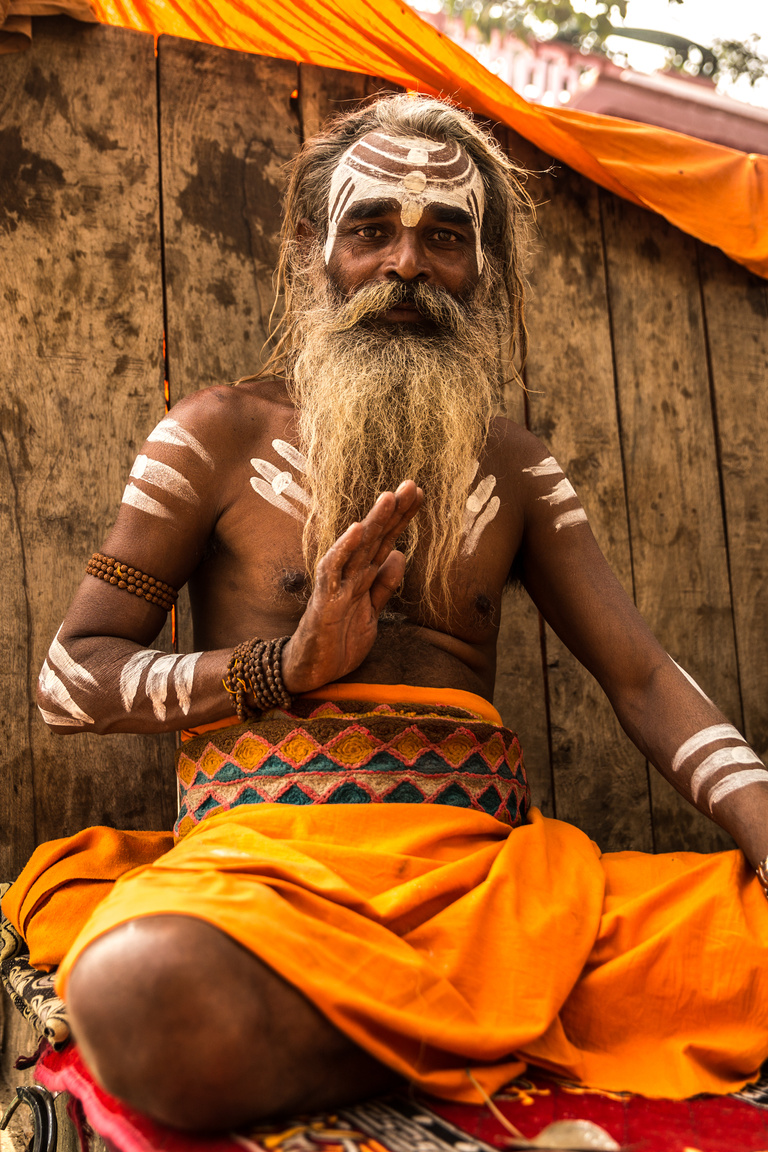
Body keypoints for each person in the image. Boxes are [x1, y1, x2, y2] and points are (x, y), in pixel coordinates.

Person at [7, 93, 768, 1134]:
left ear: (483, 270)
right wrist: (281, 666)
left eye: (444, 237)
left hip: (501, 888)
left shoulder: (514, 465)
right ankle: (489, 1047)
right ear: (312, 256)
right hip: (265, 875)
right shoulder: (213, 435)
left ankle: (417, 1043)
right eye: (373, 230)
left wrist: (766, 821)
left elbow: (638, 675)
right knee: (140, 990)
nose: (407, 264)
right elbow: (66, 682)